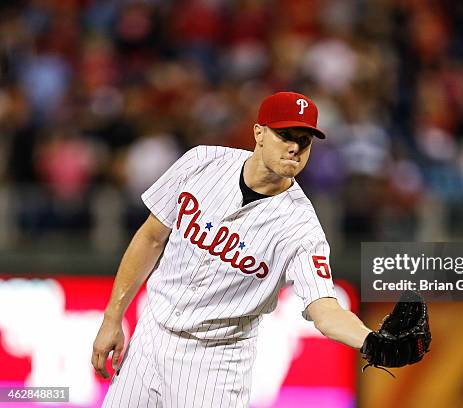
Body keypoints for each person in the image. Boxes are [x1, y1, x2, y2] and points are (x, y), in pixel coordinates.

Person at [91, 91, 430, 407]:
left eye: (304, 141)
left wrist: (372, 343)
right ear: (259, 133)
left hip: (214, 364)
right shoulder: (201, 162)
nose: (294, 148)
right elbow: (151, 237)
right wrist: (112, 318)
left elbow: (325, 310)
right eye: (286, 136)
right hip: (150, 335)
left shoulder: (301, 227)